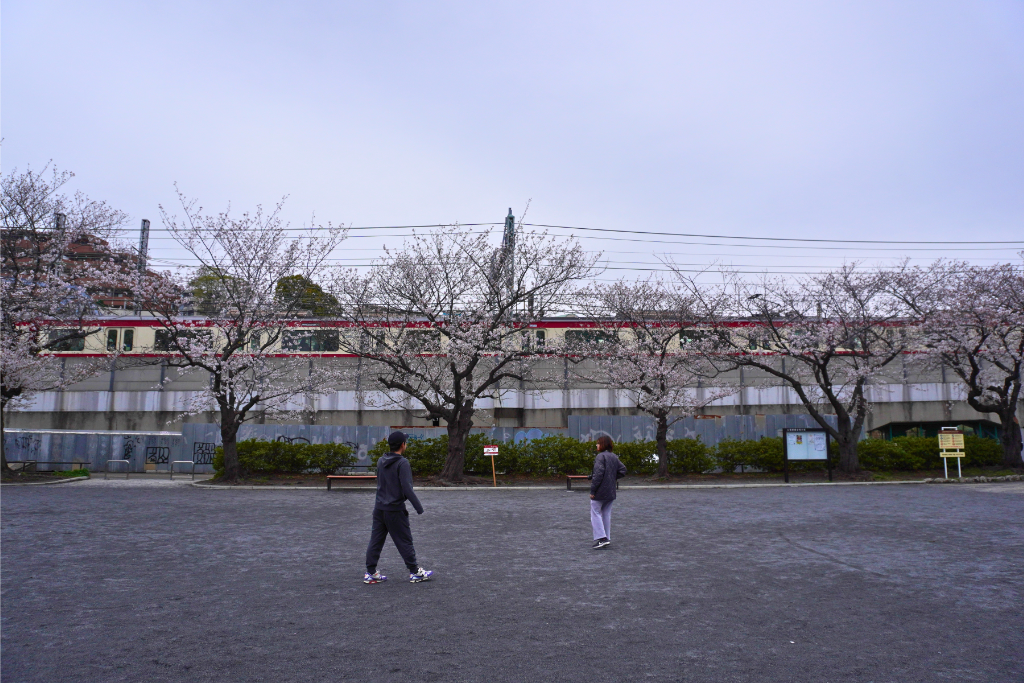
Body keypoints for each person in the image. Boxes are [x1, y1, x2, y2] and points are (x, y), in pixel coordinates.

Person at [363, 431, 433, 584]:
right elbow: (407, 488)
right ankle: (415, 572)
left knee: (376, 540)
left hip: (379, 508)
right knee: (404, 541)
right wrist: (419, 508)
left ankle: (370, 573)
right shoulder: (403, 463)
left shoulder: (381, 461)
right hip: (395, 509)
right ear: (403, 445)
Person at [589, 435, 626, 549]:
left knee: (595, 513)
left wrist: (593, 490)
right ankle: (606, 537)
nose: (596, 445)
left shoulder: (600, 457)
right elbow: (623, 470)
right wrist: (611, 478)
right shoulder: (613, 456)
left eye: (598, 443)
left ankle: (602, 538)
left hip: (600, 491)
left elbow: (599, 474)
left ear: (602, 444)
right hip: (610, 490)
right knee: (606, 513)